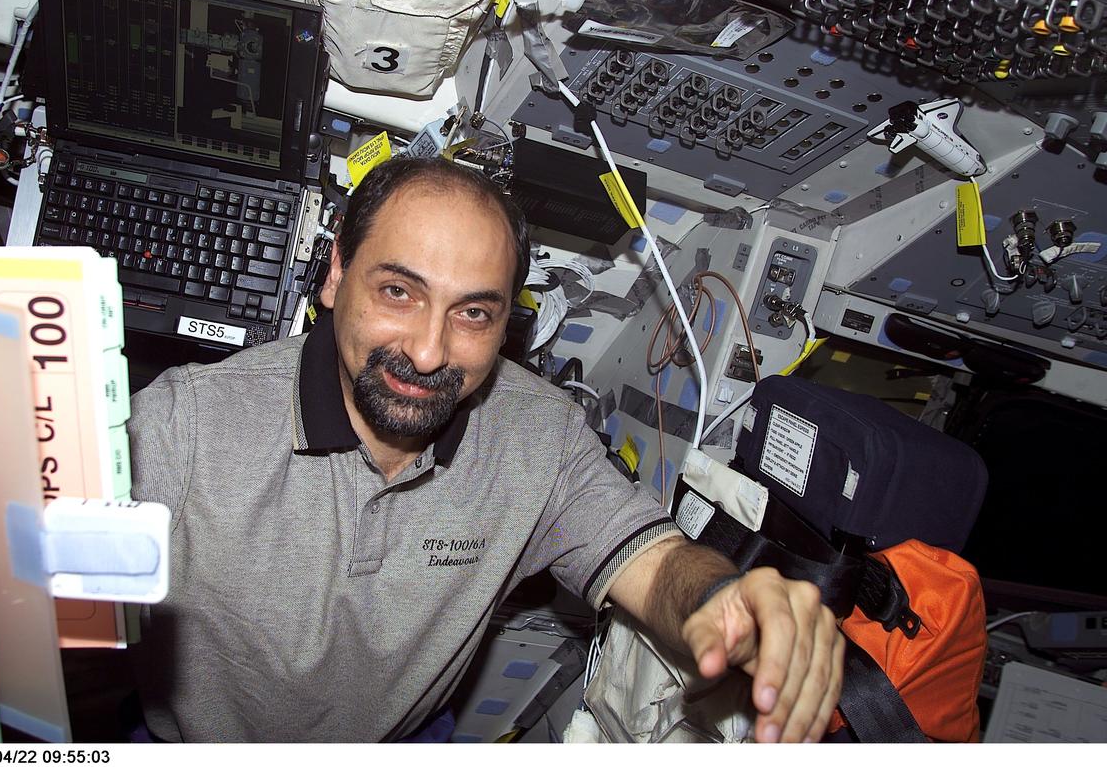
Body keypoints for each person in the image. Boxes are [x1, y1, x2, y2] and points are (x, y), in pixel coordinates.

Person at [127, 156, 843, 743]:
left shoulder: (541, 438)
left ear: (506, 326)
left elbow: (653, 567)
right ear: (337, 275)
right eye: (399, 291)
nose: (430, 349)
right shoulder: (184, 425)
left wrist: (728, 600)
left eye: (472, 312)